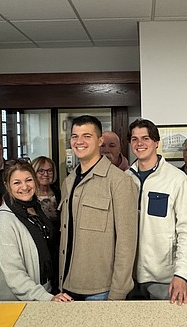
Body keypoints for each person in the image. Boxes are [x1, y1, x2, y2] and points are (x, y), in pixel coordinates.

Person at [59, 115, 138, 301]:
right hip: (66, 286)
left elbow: (127, 244)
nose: (79, 142)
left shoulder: (119, 182)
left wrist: (118, 294)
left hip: (101, 290)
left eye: (87, 136)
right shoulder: (68, 181)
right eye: (74, 136)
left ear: (99, 140)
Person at [126, 118, 187, 303]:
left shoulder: (177, 179)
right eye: (134, 139)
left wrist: (182, 274)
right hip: (128, 278)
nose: (139, 143)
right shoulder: (124, 180)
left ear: (156, 142)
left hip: (165, 278)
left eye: (145, 138)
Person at [0, 159, 72, 302]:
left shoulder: (36, 208)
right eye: (17, 183)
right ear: (7, 185)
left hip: (44, 291)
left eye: (28, 180)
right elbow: (14, 273)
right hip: (17, 302)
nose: (25, 187)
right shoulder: (4, 220)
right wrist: (45, 297)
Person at [32, 156, 61, 228]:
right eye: (41, 171)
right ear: (33, 173)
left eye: (49, 170)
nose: (46, 174)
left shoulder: (59, 193)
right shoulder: (29, 195)